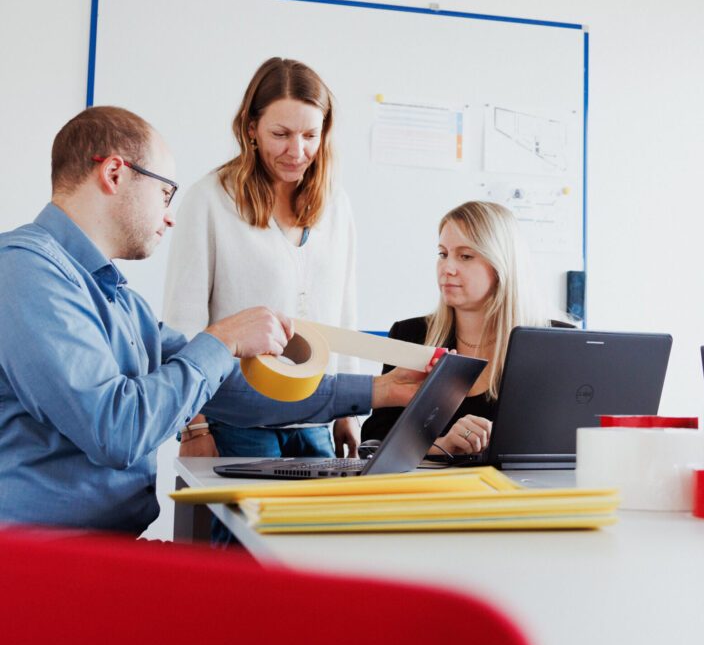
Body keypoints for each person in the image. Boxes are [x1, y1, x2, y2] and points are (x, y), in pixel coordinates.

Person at [0, 106, 426, 536]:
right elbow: (118, 430)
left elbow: (228, 389)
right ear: (114, 173)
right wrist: (221, 340)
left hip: (98, 549)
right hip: (41, 562)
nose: (169, 215)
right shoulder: (24, 272)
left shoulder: (118, 300)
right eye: (165, 193)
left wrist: (380, 390)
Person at [164, 58, 361, 461]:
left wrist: (349, 413)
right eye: (281, 134)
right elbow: (183, 325)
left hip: (315, 419)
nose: (298, 151)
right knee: (239, 527)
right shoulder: (209, 200)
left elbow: (345, 313)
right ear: (251, 129)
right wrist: (194, 425)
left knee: (316, 526)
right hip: (236, 422)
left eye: (310, 135)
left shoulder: (336, 205)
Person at [361, 201, 570, 457]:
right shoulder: (411, 335)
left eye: (465, 256)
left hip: (520, 493)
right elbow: (373, 442)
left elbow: (569, 439)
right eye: (442, 254)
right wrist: (442, 445)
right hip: (432, 494)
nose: (447, 268)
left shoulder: (557, 342)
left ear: (501, 265)